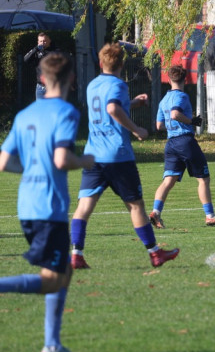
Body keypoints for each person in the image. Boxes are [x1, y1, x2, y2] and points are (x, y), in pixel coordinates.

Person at [0, 53, 94, 352]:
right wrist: (86, 160)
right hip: (48, 206)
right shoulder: (66, 112)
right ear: (72, 79)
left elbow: (4, 162)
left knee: (63, 272)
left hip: (28, 204)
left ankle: (52, 345)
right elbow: (62, 159)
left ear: (42, 79)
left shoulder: (25, 114)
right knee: (52, 280)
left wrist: (33, 168)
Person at [69, 43, 180, 269]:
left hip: (93, 155)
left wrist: (133, 103)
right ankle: (155, 254)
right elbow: (112, 109)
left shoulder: (92, 85)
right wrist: (136, 129)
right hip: (117, 155)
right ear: (121, 64)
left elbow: (109, 107)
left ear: (101, 63)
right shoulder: (118, 84)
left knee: (84, 206)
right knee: (136, 206)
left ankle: (76, 255)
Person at [149, 65, 215, 228]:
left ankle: (155, 213)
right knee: (203, 179)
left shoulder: (163, 100)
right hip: (185, 141)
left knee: (168, 181)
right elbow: (175, 114)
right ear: (185, 79)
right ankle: (210, 216)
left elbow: (159, 125)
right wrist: (191, 121)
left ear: (169, 80)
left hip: (171, 144)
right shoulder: (182, 96)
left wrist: (173, 126)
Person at [24, 32, 57, 101]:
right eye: (41, 41)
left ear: (49, 40)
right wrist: (36, 49)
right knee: (40, 107)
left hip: (52, 86)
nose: (42, 43)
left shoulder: (55, 52)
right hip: (40, 87)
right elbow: (26, 59)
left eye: (44, 41)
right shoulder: (36, 51)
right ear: (38, 42)